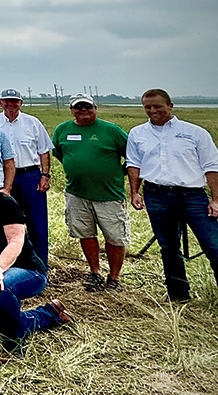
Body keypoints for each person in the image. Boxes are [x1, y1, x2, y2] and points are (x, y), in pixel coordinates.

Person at [126, 88, 218, 315]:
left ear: (170, 106)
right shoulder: (137, 134)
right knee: (168, 247)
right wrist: (135, 192)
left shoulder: (195, 133)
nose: (152, 111)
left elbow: (212, 168)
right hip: (156, 195)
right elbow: (134, 164)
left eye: (157, 106)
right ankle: (178, 293)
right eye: (147, 107)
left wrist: (217, 200)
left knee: (214, 247)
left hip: (192, 196)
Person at [0, 161, 71, 355]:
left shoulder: (6, 203)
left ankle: (13, 349)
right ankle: (50, 312)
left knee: (3, 287)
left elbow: (16, 241)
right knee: (4, 325)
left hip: (27, 270)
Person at [52, 94, 130, 291]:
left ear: (95, 108)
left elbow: (133, 157)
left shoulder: (112, 131)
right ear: (72, 110)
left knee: (114, 237)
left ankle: (114, 278)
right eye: (78, 107)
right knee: (86, 234)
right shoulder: (62, 130)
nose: (83, 110)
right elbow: (60, 154)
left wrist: (119, 175)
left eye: (87, 106)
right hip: (76, 194)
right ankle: (95, 272)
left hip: (109, 194)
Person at [0, 89, 53, 265]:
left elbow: (44, 150)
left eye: (15, 101)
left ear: (21, 103)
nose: (11, 105)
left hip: (29, 175)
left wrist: (45, 174)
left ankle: (39, 265)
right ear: (0, 103)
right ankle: (9, 263)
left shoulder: (32, 122)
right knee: (5, 222)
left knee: (37, 224)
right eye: (7, 101)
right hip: (2, 177)